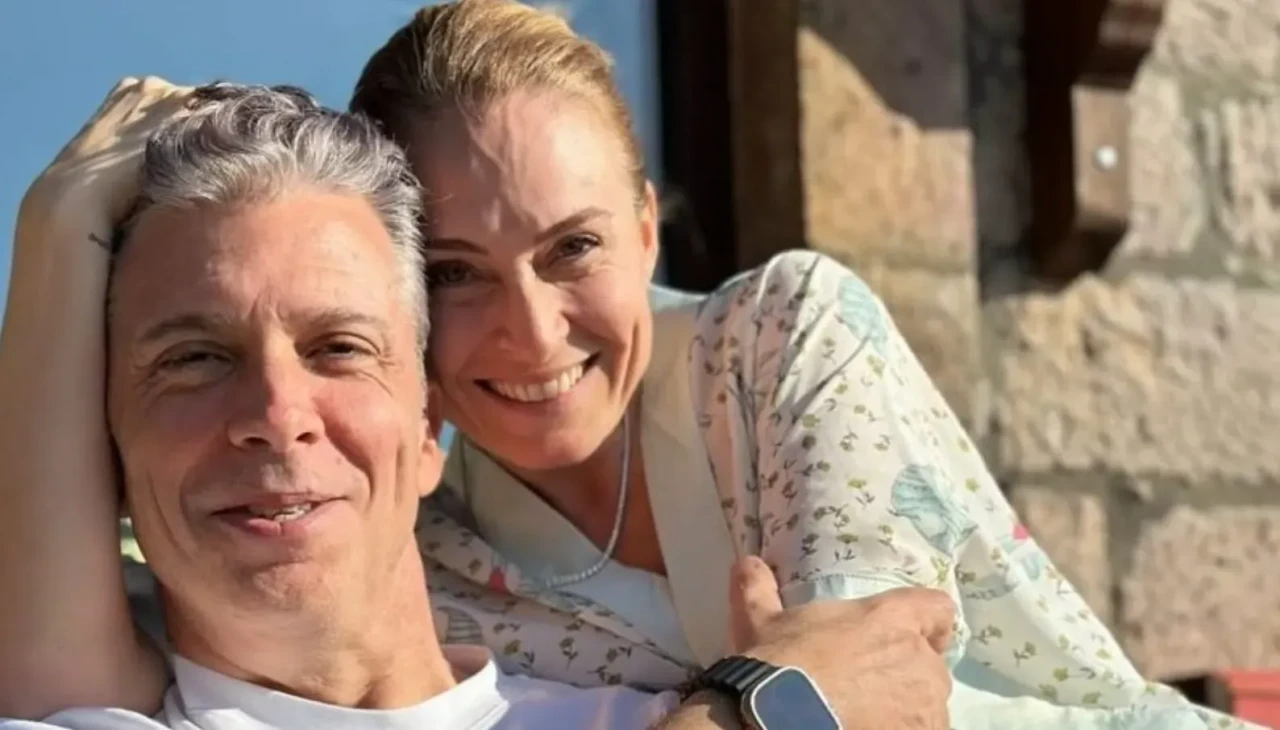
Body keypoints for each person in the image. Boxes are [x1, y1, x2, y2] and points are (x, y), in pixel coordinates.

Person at [0, 2, 1261, 729]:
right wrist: (54, 233)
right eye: (456, 273)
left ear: (649, 230)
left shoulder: (772, 341)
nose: (531, 329)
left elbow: (876, 687)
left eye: (573, 248)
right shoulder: (420, 555)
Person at [0, 77, 958, 730]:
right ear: (105, 453)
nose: (277, 410)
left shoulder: (646, 705)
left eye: (339, 348)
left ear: (429, 426)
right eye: (195, 359)